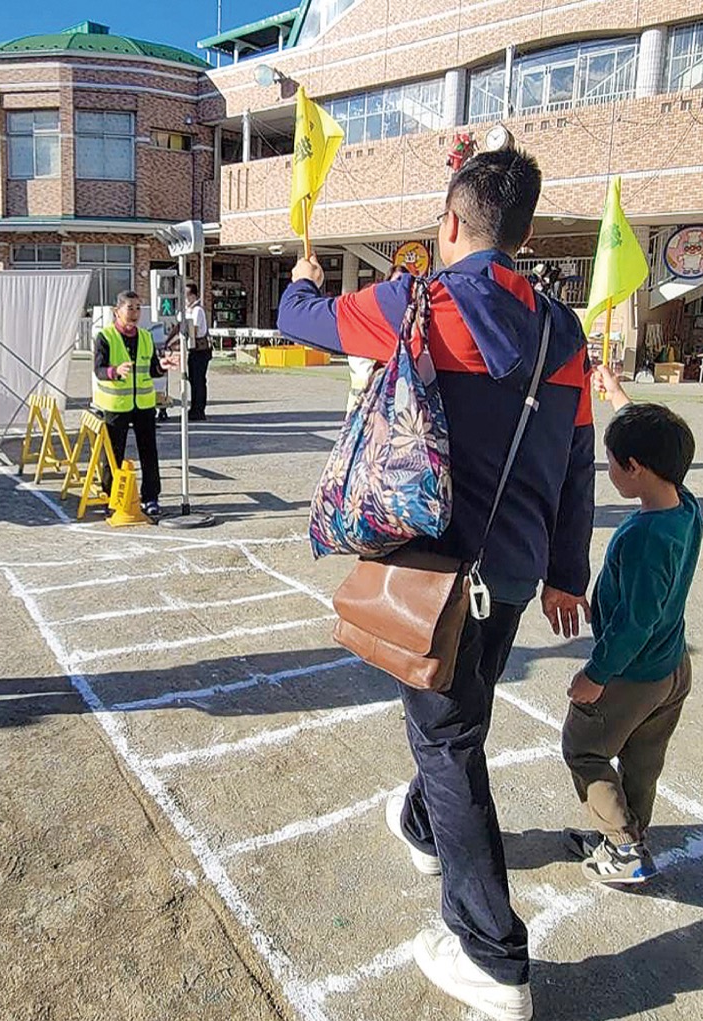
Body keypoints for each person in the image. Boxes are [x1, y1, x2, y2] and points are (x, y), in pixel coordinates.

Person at [277, 148, 595, 1021]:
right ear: (524, 237)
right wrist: (571, 571)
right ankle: (423, 827)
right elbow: (578, 461)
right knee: (460, 717)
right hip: (519, 570)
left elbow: (301, 320)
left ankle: (492, 953)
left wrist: (304, 279)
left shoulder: (420, 301)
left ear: (450, 224)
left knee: (449, 745)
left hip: (435, 573)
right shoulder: (566, 333)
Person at [561, 367, 702, 884]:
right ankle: (626, 835)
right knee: (642, 762)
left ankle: (621, 846)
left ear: (637, 467)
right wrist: (618, 394)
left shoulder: (646, 537)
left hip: (633, 673)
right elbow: (648, 436)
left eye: (615, 463)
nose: (610, 471)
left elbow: (635, 622)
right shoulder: (684, 504)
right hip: (672, 667)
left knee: (583, 747)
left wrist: (596, 674)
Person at [93, 290, 176, 518]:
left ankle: (151, 497)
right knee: (113, 454)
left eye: (138, 308)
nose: (135, 313)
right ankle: (111, 498)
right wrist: (115, 371)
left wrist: (162, 366)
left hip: (143, 404)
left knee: (149, 452)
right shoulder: (105, 336)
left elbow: (150, 369)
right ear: (117, 311)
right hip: (116, 404)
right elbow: (98, 370)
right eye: (130, 308)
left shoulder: (146, 337)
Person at [346, 265, 408, 413]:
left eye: (403, 282)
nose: (398, 288)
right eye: (394, 282)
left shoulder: (412, 321)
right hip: (364, 403)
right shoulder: (363, 328)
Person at [166, 283, 212, 420]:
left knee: (198, 380)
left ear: (193, 296)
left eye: (186, 296)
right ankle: (194, 408)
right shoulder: (185, 311)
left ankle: (199, 410)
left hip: (201, 350)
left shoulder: (198, 310)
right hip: (192, 349)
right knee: (192, 379)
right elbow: (178, 327)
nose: (184, 299)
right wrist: (168, 342)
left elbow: (194, 331)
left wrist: (177, 343)